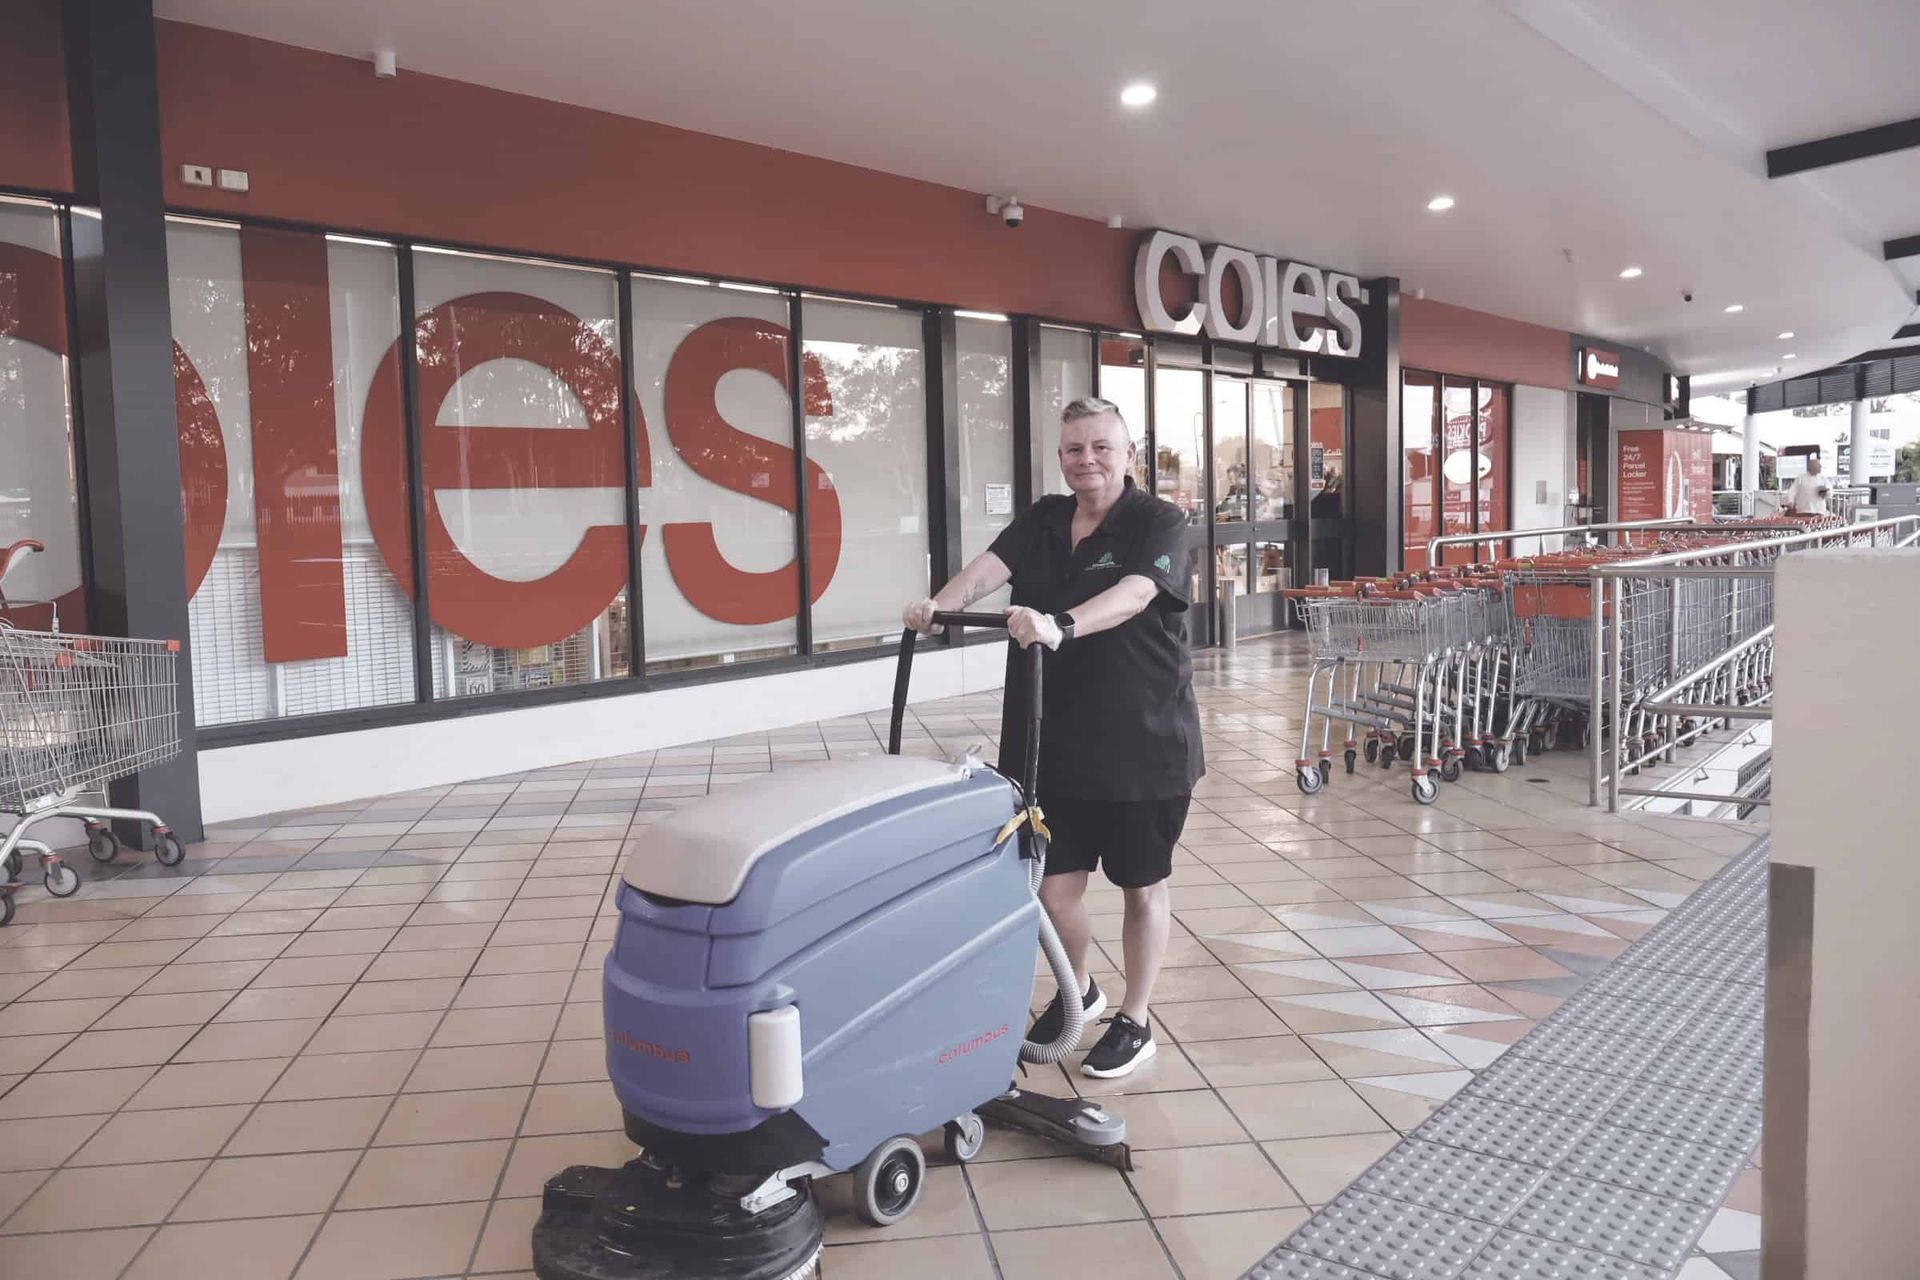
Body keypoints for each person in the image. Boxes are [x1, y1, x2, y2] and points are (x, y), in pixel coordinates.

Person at [903, 396, 1203, 1078]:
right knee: (1051, 889)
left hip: (1141, 743)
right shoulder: (1044, 518)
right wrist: (940, 606)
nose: (1086, 460)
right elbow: (988, 567)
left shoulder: (1158, 521)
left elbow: (1133, 595)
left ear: (1130, 454)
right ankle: (1084, 990)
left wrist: (1059, 624)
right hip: (1050, 739)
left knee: (1141, 887)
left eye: (1101, 447)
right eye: (1073, 449)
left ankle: (1136, 1016)